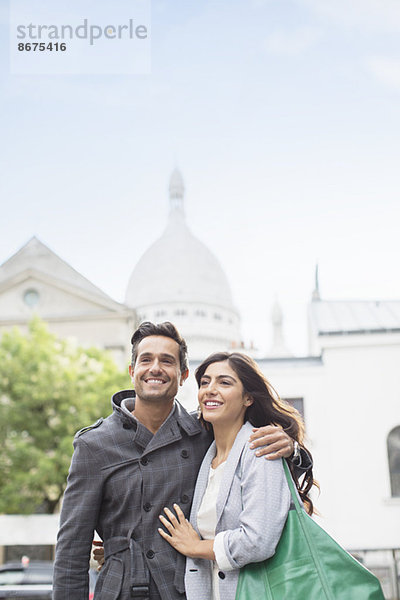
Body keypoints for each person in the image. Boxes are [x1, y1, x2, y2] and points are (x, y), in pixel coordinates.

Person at [53, 322, 311, 600]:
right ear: (132, 371)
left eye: (166, 361)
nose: (155, 368)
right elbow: (71, 551)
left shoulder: (203, 434)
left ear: (183, 375)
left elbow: (261, 476)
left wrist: (294, 449)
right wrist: (119, 550)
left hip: (189, 590)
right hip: (122, 591)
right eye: (146, 360)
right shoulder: (95, 444)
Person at [158, 351, 315, 600]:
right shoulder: (206, 455)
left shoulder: (260, 449)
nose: (210, 389)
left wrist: (196, 547)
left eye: (224, 382)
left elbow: (257, 541)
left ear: (248, 398)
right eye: (205, 382)